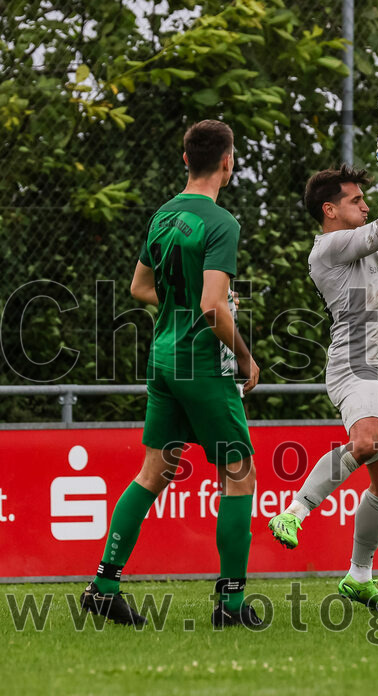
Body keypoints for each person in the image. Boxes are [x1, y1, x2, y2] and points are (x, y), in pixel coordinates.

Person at [80, 120, 262, 627]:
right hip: (199, 363)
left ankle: (104, 587)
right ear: (227, 162)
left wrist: (186, 303)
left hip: (163, 357)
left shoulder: (163, 215)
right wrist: (245, 356)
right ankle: (231, 604)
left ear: (186, 160)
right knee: (239, 473)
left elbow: (140, 288)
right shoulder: (220, 222)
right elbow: (212, 307)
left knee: (154, 471)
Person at [267, 125, 378, 611]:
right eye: (355, 200)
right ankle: (294, 511)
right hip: (355, 362)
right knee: (365, 443)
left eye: (366, 199)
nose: (365, 205)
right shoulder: (328, 248)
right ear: (330, 210)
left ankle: (359, 577)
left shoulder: (370, 244)